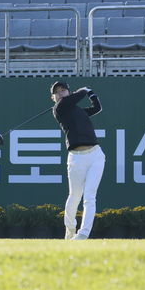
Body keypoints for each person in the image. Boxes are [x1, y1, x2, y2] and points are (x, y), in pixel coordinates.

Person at [51, 80, 105, 240]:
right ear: (53, 98)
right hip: (76, 158)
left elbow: (97, 108)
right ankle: (70, 230)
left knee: (90, 196)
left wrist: (91, 93)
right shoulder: (59, 109)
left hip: (96, 155)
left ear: (68, 91)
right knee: (74, 197)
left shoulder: (80, 111)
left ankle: (83, 234)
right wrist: (85, 89)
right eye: (57, 92)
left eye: (63, 90)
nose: (60, 93)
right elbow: (73, 98)